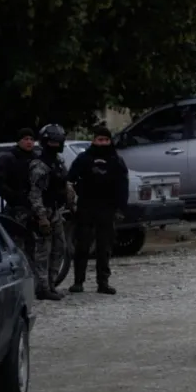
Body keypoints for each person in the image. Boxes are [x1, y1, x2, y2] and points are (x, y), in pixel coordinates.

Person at [67, 125, 129, 296]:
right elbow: (70, 180)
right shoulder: (83, 159)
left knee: (104, 247)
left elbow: (123, 186)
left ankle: (103, 282)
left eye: (106, 140)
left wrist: (121, 209)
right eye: (100, 139)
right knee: (82, 246)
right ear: (94, 140)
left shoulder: (116, 160)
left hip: (107, 208)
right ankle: (78, 282)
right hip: (86, 207)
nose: (103, 143)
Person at [27, 123, 74, 301]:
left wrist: (70, 200)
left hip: (55, 210)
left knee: (60, 248)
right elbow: (35, 193)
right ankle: (43, 287)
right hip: (44, 212)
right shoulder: (39, 165)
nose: (55, 145)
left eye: (58, 142)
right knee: (42, 252)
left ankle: (52, 284)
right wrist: (41, 217)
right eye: (52, 142)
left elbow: (65, 182)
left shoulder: (58, 162)